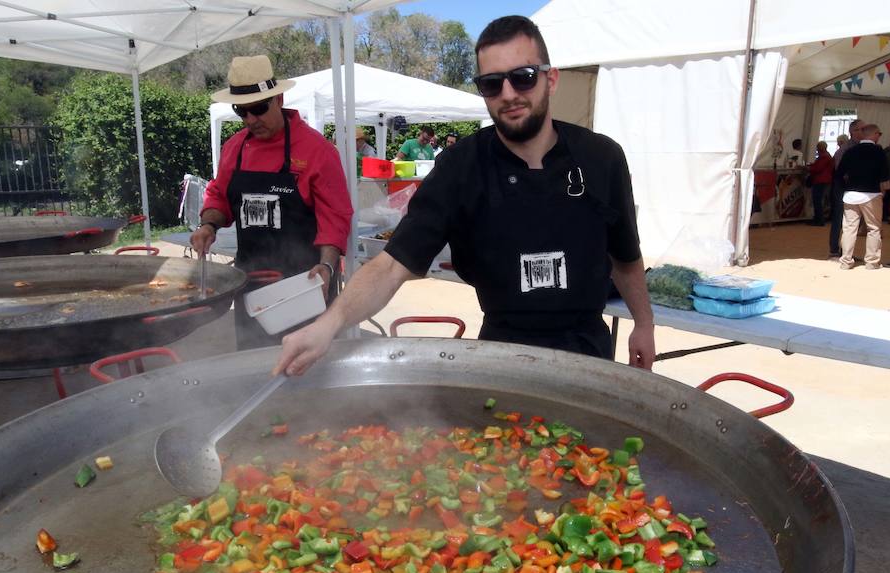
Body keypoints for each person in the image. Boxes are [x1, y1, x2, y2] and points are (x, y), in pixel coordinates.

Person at [275, 15, 655, 378]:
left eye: (522, 78)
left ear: (550, 80)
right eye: (492, 84)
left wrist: (644, 323)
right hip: (501, 354)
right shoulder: (460, 165)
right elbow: (392, 266)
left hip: (588, 352)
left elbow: (625, 256)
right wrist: (329, 323)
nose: (508, 94)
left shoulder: (602, 157)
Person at [192, 55, 353, 349]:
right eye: (242, 111)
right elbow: (219, 196)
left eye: (259, 109)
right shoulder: (234, 148)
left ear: (278, 99)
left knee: (310, 371)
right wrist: (208, 225)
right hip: (251, 286)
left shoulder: (317, 150)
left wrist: (328, 268)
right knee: (254, 368)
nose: (251, 120)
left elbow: (336, 218)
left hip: (305, 285)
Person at [836, 123, 890, 271]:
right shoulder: (879, 152)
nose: (879, 136)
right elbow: (885, 173)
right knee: (873, 229)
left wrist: (845, 189)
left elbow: (839, 173)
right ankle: (871, 262)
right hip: (871, 195)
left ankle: (845, 261)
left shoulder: (851, 151)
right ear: (874, 134)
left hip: (850, 195)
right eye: (879, 134)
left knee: (849, 229)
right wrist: (885, 191)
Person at [829, 120, 864, 258]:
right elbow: (839, 169)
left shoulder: (857, 147)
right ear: (854, 131)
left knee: (853, 220)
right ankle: (834, 250)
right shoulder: (846, 148)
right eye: (862, 129)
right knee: (839, 218)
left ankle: (845, 252)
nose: (864, 131)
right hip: (843, 187)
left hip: (852, 187)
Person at [807, 141, 833, 226]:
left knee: (817, 201)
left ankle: (819, 220)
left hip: (821, 181)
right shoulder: (826, 156)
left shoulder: (824, 157)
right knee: (818, 201)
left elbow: (818, 168)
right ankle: (818, 219)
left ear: (820, 148)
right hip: (823, 181)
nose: (817, 150)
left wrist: (808, 168)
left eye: (818, 148)